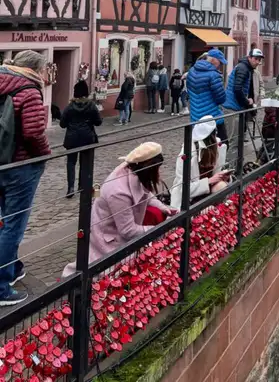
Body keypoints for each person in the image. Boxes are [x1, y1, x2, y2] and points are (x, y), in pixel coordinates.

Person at [62, 142, 176, 277]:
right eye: (157, 168)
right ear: (149, 170)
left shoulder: (133, 169)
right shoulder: (118, 192)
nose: (159, 172)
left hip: (115, 230)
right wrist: (162, 229)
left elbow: (145, 192)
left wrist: (162, 208)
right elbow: (128, 231)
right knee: (110, 271)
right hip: (109, 237)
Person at [0, 50, 50, 306]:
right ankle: (1, 286)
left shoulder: (3, 81)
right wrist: (45, 154)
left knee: (3, 222)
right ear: (36, 69)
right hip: (20, 166)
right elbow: (32, 132)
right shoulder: (28, 89)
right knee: (13, 225)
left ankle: (14, 267)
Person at [171, 116, 230, 208]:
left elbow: (216, 172)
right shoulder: (187, 155)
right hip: (190, 199)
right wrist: (209, 181)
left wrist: (223, 177)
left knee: (222, 186)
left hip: (207, 190)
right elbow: (184, 190)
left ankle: (217, 213)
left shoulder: (217, 147)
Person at [60, 80, 102, 198]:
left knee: (71, 163)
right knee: (85, 162)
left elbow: (62, 124)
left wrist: (71, 124)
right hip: (87, 137)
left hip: (72, 138)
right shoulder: (91, 105)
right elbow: (98, 122)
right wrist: (89, 122)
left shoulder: (70, 107)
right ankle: (82, 186)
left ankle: (70, 188)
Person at [224, 48, 264, 144]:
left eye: (259, 60)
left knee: (237, 137)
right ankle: (231, 159)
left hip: (237, 106)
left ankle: (236, 158)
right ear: (249, 58)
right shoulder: (243, 68)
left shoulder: (248, 68)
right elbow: (237, 89)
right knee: (234, 140)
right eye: (256, 59)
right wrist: (247, 102)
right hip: (233, 107)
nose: (258, 62)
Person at [187, 49, 227, 140]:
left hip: (195, 118)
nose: (220, 65)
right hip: (212, 118)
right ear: (213, 60)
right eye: (220, 62)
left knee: (200, 146)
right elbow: (221, 98)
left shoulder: (191, 71)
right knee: (222, 144)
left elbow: (188, 91)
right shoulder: (213, 75)